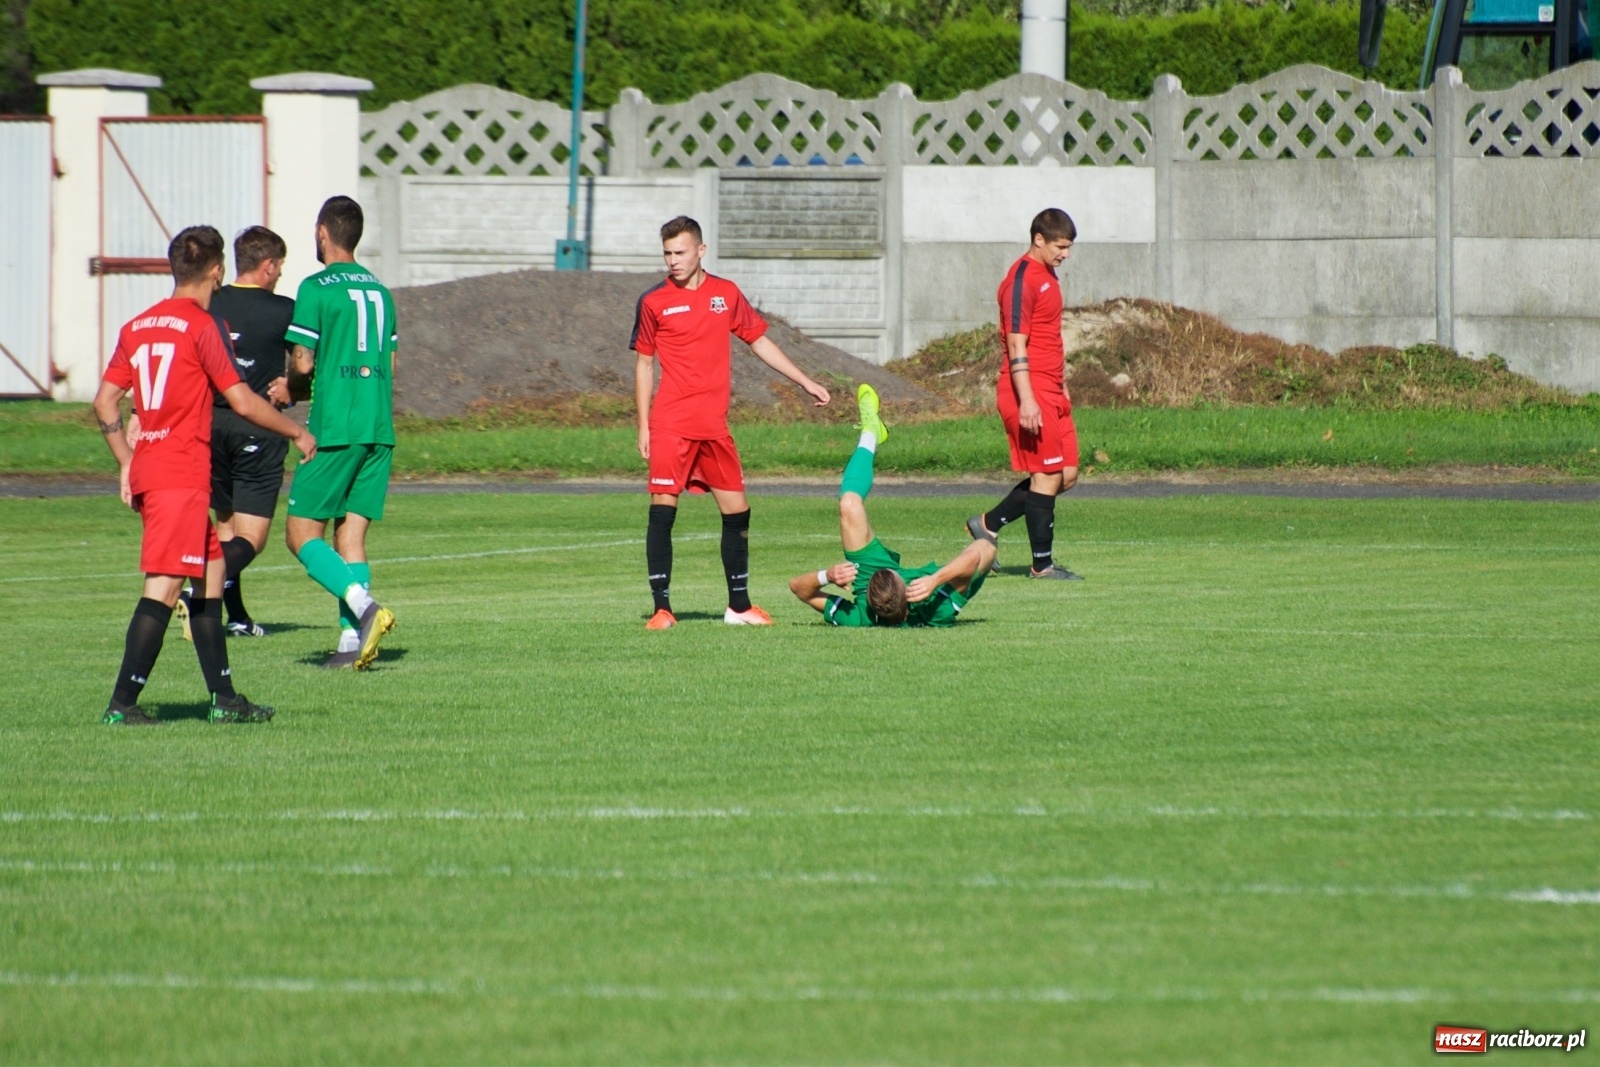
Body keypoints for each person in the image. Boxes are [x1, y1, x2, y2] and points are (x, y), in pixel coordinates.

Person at [93, 225, 316, 725]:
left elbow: (105, 400)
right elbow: (241, 400)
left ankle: (225, 699)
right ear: (216, 271)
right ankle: (122, 705)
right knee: (165, 586)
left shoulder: (137, 326)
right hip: (180, 472)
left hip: (159, 468)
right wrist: (296, 432)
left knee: (212, 576)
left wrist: (128, 461)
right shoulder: (201, 326)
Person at [632, 215, 831, 629]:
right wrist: (644, 425)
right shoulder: (653, 302)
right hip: (671, 422)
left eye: (680, 252)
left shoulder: (726, 294)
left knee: (738, 511)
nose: (672, 261)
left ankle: (738, 607)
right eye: (667, 253)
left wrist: (805, 381)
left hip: (714, 428)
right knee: (662, 511)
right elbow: (644, 364)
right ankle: (661, 609)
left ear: (701, 251)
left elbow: (758, 339)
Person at [283, 195, 397, 670]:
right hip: (378, 426)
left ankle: (366, 608)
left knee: (299, 533)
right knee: (350, 538)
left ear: (322, 232)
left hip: (336, 427)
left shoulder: (316, 288)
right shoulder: (381, 291)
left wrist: (289, 387)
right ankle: (352, 647)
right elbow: (390, 362)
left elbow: (303, 360)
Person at [790, 385, 995, 628]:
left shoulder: (861, 616)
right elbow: (981, 550)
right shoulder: (933, 610)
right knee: (985, 548)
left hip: (877, 584)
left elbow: (798, 588)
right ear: (907, 592)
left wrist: (828, 575)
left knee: (848, 504)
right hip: (930, 583)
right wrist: (934, 580)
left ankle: (871, 432)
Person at [176, 225, 296, 638]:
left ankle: (238, 618)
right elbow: (303, 365)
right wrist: (291, 389)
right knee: (251, 538)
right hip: (255, 426)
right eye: (279, 266)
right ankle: (195, 596)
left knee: (224, 528)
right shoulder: (284, 309)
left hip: (210, 426)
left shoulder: (211, 302)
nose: (279, 273)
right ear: (269, 265)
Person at [965, 207, 1084, 580]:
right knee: (1046, 476)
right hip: (1028, 390)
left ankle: (988, 523)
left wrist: (1060, 382)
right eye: (1060, 246)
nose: (1065, 253)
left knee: (1066, 474)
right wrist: (1028, 399)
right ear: (1039, 240)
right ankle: (1042, 566)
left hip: (1051, 387)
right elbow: (1017, 344)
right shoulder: (1020, 281)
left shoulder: (1047, 273)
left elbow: (1048, 334)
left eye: (1069, 246)